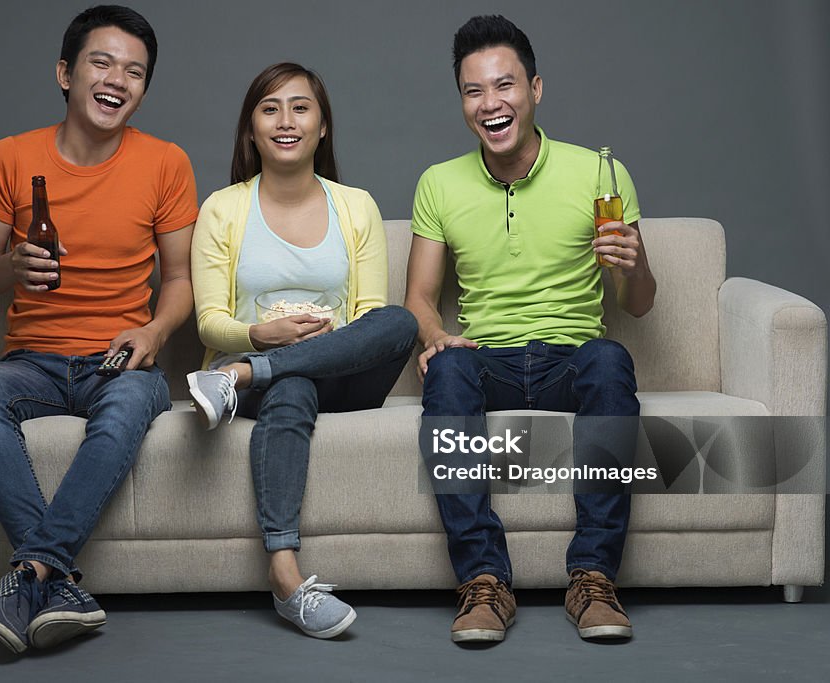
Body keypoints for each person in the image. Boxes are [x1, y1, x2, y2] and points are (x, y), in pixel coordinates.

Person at [0, 5, 197, 654]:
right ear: (65, 72)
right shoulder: (8, 157)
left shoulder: (166, 163)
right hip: (31, 360)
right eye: (103, 61)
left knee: (127, 411)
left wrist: (153, 332)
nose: (119, 79)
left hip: (119, 358)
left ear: (143, 89)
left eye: (135, 71)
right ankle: (53, 579)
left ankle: (29, 573)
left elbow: (180, 281)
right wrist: (10, 265)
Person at [405, 15, 656, 643]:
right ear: (461, 99)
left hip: (569, 360)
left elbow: (640, 303)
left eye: (505, 86)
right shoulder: (439, 183)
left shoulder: (600, 173)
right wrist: (436, 335)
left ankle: (593, 577)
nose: (491, 104)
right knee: (449, 367)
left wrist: (637, 264)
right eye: (473, 91)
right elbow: (419, 298)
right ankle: (484, 582)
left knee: (610, 360)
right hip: (486, 358)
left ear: (535, 89)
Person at [186, 63, 417, 639]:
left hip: (341, 369)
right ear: (251, 130)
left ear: (323, 127)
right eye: (269, 108)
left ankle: (240, 377)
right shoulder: (222, 208)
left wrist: (320, 343)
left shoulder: (355, 204)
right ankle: (288, 578)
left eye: (300, 107)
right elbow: (211, 321)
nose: (285, 121)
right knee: (291, 386)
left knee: (401, 321)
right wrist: (260, 336)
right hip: (273, 383)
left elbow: (370, 314)